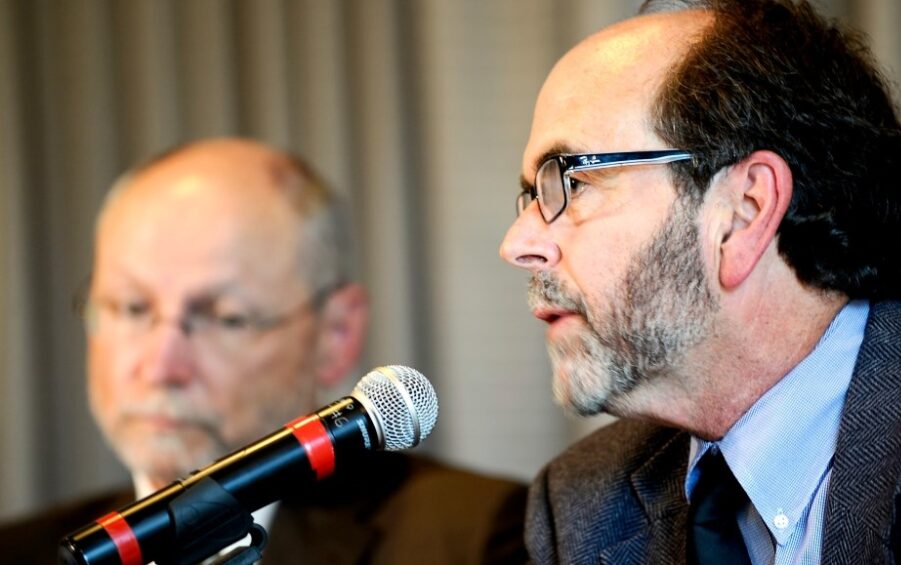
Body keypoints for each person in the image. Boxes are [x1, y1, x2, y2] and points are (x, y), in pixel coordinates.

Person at [500, 0, 901, 563]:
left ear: (744, 210)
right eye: (531, 195)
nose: (517, 244)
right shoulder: (580, 504)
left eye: (571, 182)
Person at [0, 138, 527, 564]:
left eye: (226, 318)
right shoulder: (18, 551)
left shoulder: (475, 536)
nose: (160, 367)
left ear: (335, 335)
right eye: (133, 308)